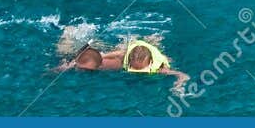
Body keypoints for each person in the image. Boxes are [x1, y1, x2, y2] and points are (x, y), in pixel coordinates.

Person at [55, 32, 189, 94]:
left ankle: (152, 39)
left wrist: (179, 85)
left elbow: (183, 75)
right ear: (129, 63)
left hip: (151, 51)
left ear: (150, 64)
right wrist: (73, 63)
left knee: (156, 44)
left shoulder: (159, 66)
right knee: (110, 53)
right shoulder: (122, 57)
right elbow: (100, 59)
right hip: (126, 50)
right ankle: (68, 35)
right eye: (133, 69)